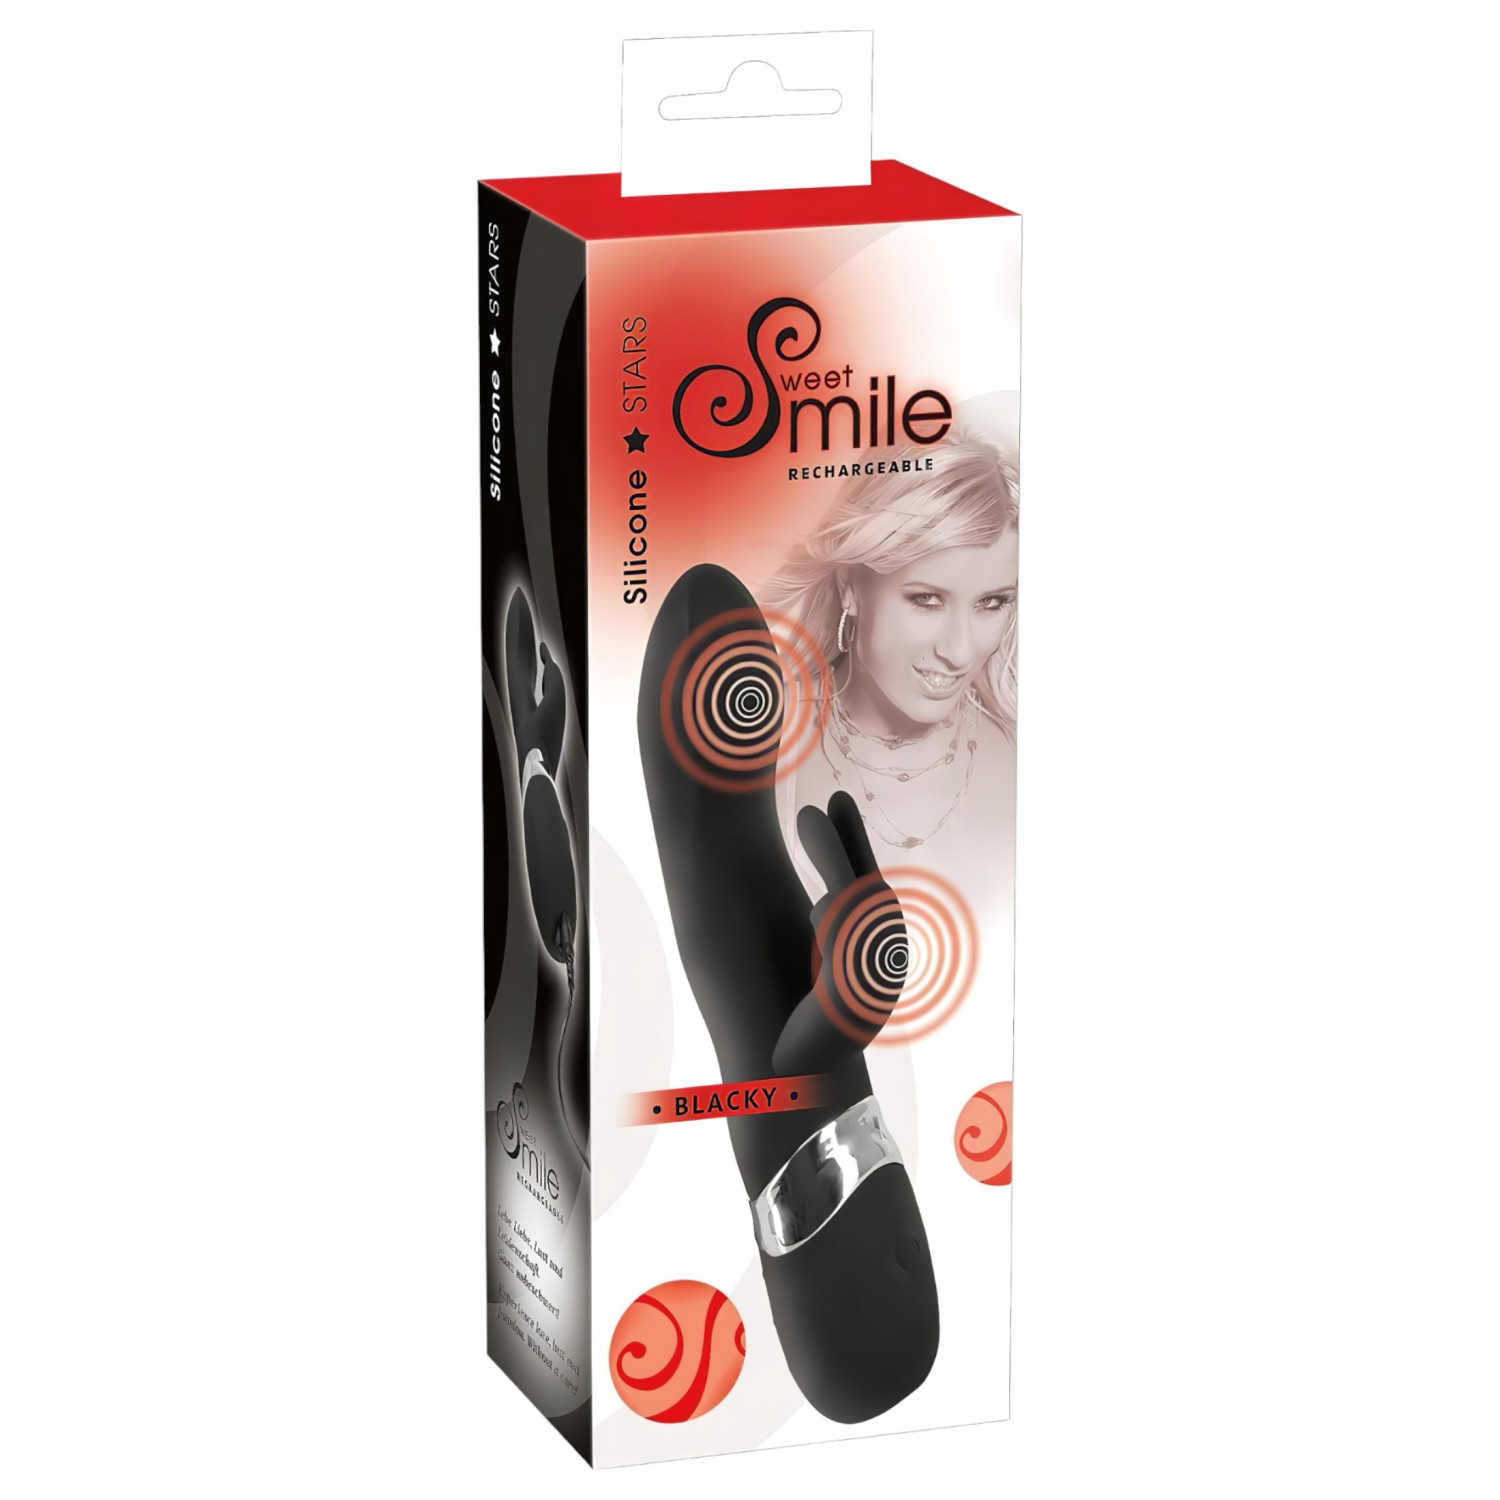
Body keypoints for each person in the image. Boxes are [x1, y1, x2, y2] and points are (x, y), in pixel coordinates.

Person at [761, 434, 1018, 905]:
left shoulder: (1020, 749)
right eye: (927, 599)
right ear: (851, 589)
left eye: (991, 603)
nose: (960, 651)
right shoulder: (761, 738)